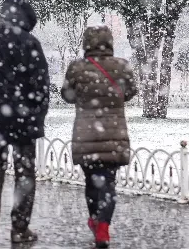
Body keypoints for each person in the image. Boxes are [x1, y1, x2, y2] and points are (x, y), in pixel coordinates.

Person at [0, 0, 49, 244]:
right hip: (24, 121)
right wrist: (36, 114)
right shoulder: (31, 43)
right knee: (24, 174)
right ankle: (19, 227)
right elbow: (41, 86)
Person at [62, 25, 137, 249]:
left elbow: (67, 95)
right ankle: (103, 226)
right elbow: (130, 93)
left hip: (86, 135)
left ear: (87, 43)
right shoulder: (121, 67)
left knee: (92, 182)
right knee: (109, 183)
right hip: (114, 134)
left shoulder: (77, 68)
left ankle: (95, 219)